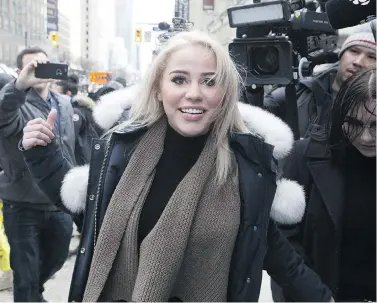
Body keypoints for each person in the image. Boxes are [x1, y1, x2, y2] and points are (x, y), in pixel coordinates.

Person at [20, 32, 333, 302]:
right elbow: (87, 214)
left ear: (224, 94)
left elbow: (276, 252)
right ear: (158, 87)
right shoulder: (120, 151)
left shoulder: (248, 166)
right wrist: (41, 155)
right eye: (179, 79)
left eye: (210, 82)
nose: (193, 93)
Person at [271, 68, 376, 302]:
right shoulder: (303, 157)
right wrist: (314, 295)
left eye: (376, 125)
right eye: (354, 123)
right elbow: (281, 239)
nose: (366, 137)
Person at [0, 47, 75, 302]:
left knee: (56, 259)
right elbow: (3, 113)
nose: (39, 71)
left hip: (59, 202)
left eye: (44, 66)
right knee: (25, 276)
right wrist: (19, 86)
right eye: (33, 67)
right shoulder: (13, 102)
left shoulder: (64, 103)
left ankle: (35, 292)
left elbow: (74, 147)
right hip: (21, 206)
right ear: (21, 72)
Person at [264, 31, 376, 138]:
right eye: (354, 51)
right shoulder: (300, 92)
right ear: (341, 55)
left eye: (372, 57)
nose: (358, 62)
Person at [52, 75, 102, 165]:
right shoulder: (84, 108)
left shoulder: (75, 111)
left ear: (67, 94)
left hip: (79, 160)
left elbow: (69, 140)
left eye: (57, 94)